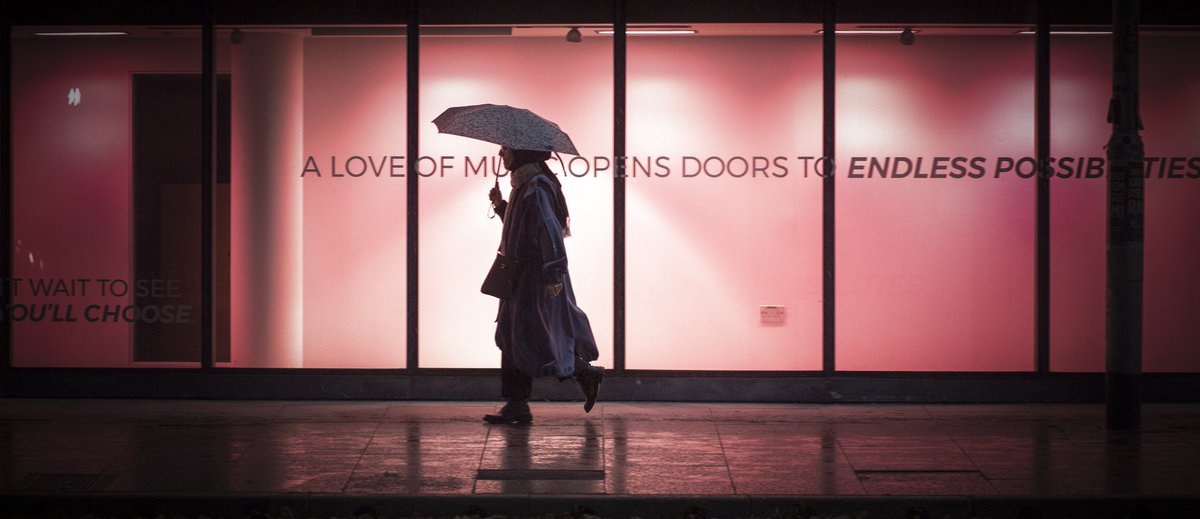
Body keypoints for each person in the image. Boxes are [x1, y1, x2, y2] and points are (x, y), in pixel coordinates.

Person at [483, 146, 603, 425]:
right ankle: (518, 404)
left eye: (505, 150)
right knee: (518, 338)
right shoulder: (526, 186)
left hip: (534, 279)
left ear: (521, 153)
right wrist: (502, 207)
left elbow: (549, 231)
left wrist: (553, 273)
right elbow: (524, 229)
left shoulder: (535, 187)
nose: (501, 155)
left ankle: (581, 372)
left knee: (532, 338)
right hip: (522, 276)